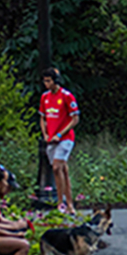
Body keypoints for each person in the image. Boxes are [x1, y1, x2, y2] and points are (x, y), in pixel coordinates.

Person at [39, 67, 80, 215]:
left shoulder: (66, 96)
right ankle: (70, 204)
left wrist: (60, 134)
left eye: (48, 81)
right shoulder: (45, 97)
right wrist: (45, 134)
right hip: (51, 139)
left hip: (65, 138)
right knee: (62, 170)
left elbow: (75, 118)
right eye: (44, 81)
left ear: (55, 81)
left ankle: (60, 202)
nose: (46, 84)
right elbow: (43, 117)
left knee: (56, 168)